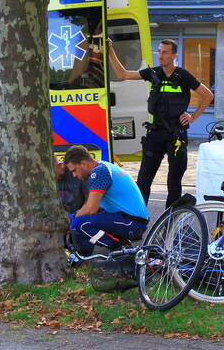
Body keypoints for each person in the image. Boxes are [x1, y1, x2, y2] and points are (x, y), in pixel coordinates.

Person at [107, 38, 213, 207]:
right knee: (143, 181)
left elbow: (207, 95)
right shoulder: (153, 73)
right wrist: (110, 50)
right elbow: (123, 74)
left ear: (174, 55)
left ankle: (170, 223)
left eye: (165, 52)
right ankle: (138, 221)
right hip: (155, 134)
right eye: (159, 51)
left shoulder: (183, 75)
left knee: (174, 183)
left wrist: (193, 116)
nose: (160, 55)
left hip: (176, 135)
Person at [63, 144, 149, 257]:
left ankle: (121, 249)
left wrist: (71, 218)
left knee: (79, 224)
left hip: (133, 223)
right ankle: (82, 257)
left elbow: (91, 209)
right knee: (79, 221)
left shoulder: (99, 172)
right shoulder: (104, 167)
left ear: (83, 163)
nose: (74, 175)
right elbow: (95, 206)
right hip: (130, 220)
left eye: (74, 170)